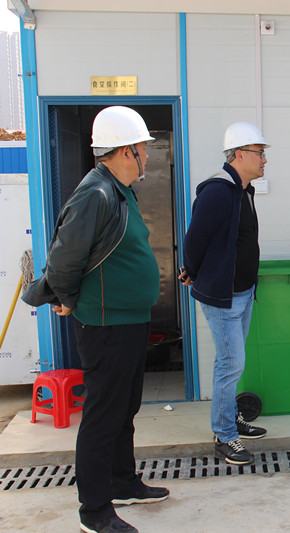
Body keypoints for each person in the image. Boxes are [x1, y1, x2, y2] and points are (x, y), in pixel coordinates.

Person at [22, 106, 168, 533]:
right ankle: (95, 511)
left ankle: (122, 481)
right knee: (104, 414)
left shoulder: (118, 191)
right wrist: (67, 298)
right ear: (124, 151)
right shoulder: (96, 194)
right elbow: (64, 258)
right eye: (142, 148)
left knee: (125, 407)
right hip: (106, 325)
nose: (147, 155)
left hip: (127, 320)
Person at [180, 121, 268, 466]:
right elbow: (195, 239)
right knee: (231, 364)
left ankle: (230, 419)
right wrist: (192, 270)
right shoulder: (218, 192)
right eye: (259, 153)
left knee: (231, 363)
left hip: (242, 292)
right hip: (224, 295)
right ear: (239, 155)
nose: (264, 160)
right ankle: (224, 436)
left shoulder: (243, 191)